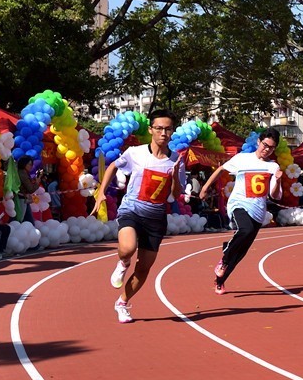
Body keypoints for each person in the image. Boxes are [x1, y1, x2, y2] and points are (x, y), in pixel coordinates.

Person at [94, 109, 186, 323]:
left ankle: (122, 302)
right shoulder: (135, 153)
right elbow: (113, 166)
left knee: (144, 268)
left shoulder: (176, 160)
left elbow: (175, 195)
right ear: (151, 129)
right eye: (159, 128)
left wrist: (174, 178)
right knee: (128, 248)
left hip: (156, 217)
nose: (164, 133)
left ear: (172, 131)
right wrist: (101, 193)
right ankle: (123, 262)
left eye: (168, 129)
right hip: (132, 210)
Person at [199, 128, 282, 294]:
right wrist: (205, 188)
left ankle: (220, 280)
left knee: (240, 252)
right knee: (245, 229)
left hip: (258, 211)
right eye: (265, 145)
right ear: (258, 142)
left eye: (271, 147)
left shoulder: (273, 167)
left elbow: (275, 196)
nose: (267, 149)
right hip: (239, 204)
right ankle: (225, 256)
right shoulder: (242, 159)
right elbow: (221, 169)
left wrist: (278, 181)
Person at [15, 156, 40, 223]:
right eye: (30, 164)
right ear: (24, 164)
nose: (31, 166)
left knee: (28, 220)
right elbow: (30, 189)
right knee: (21, 220)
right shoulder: (23, 174)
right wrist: (37, 183)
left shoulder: (22, 172)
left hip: (23, 199)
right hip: (21, 199)